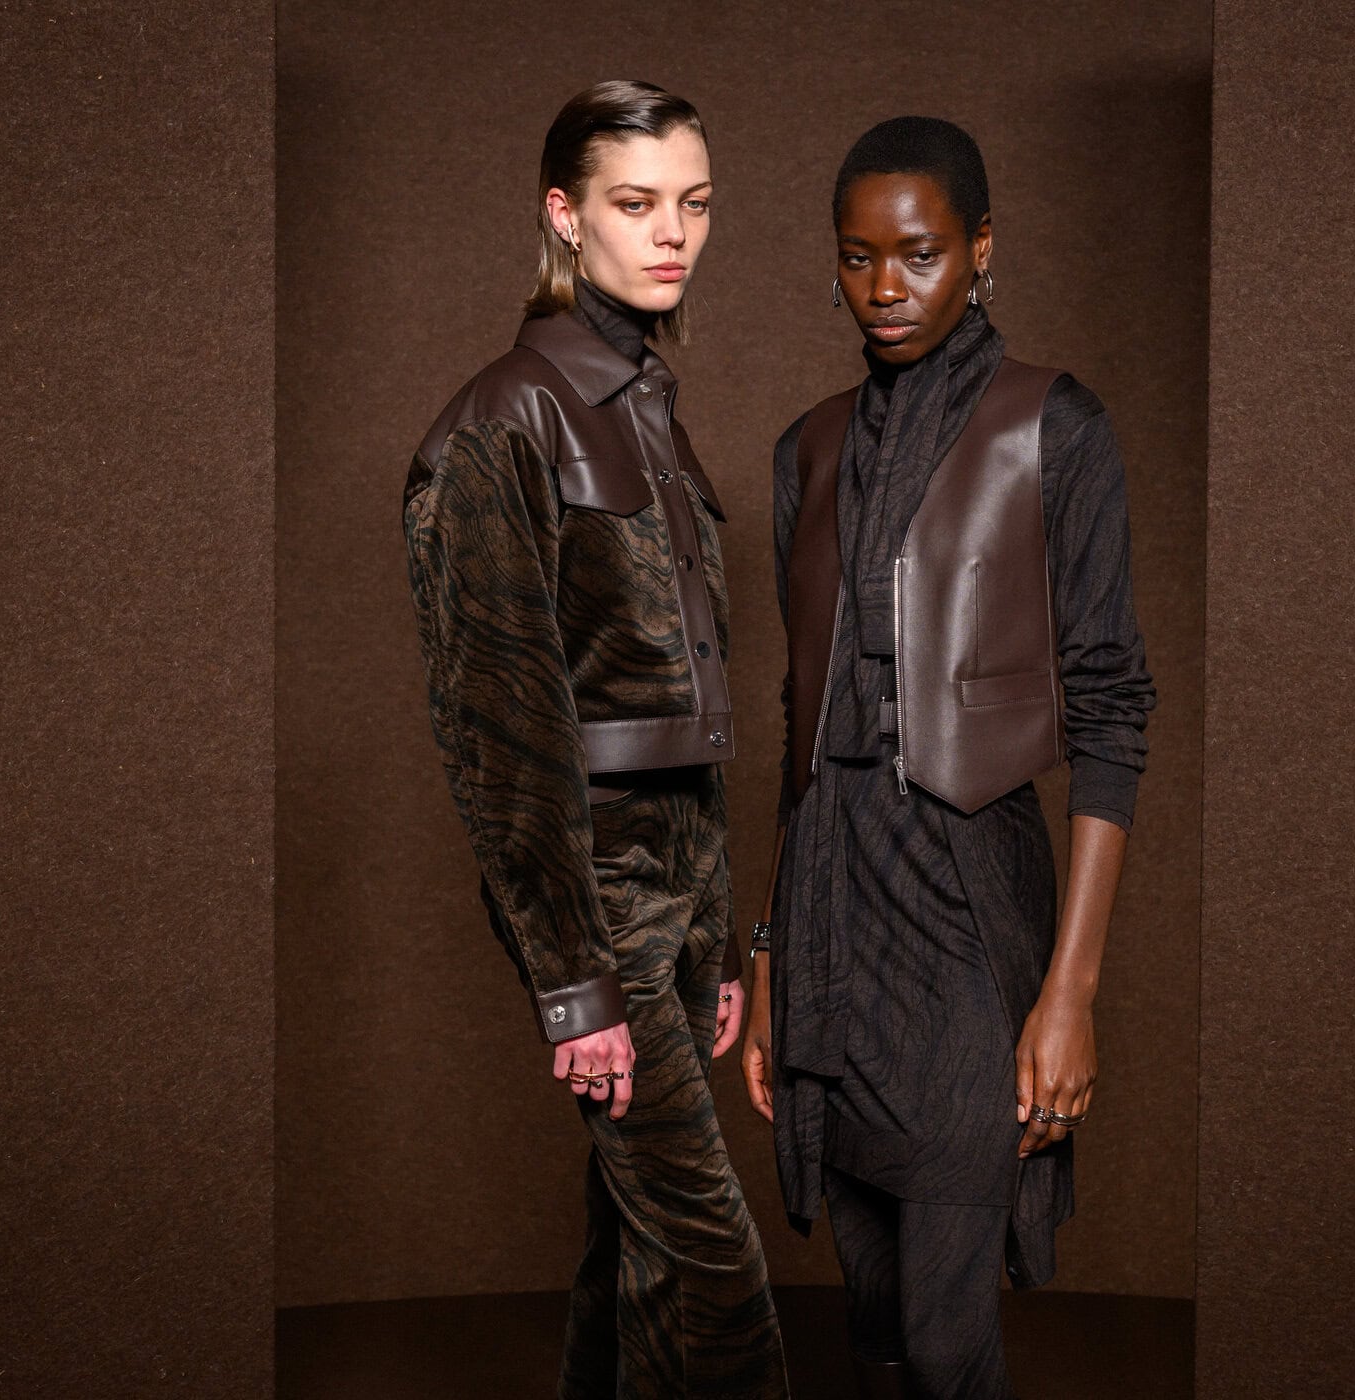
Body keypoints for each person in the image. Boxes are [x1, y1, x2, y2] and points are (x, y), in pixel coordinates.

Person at [741, 116, 1156, 1400]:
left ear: (981, 249)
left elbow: (1113, 711)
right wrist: (768, 956)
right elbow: (800, 722)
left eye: (918, 254)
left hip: (969, 926)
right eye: (856, 257)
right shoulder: (807, 450)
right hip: (833, 921)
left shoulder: (1054, 426)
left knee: (945, 1340)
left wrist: (1071, 991)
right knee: (872, 1322)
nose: (885, 286)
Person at [403, 80, 787, 1399]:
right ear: (565, 216)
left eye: (695, 204)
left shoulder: (648, 410)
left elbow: (691, 710)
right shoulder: (501, 422)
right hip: (596, 887)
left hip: (677, 883)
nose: (673, 234)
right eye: (636, 204)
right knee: (714, 1265)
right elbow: (501, 729)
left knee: (635, 1246)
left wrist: (719, 929)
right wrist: (573, 981)